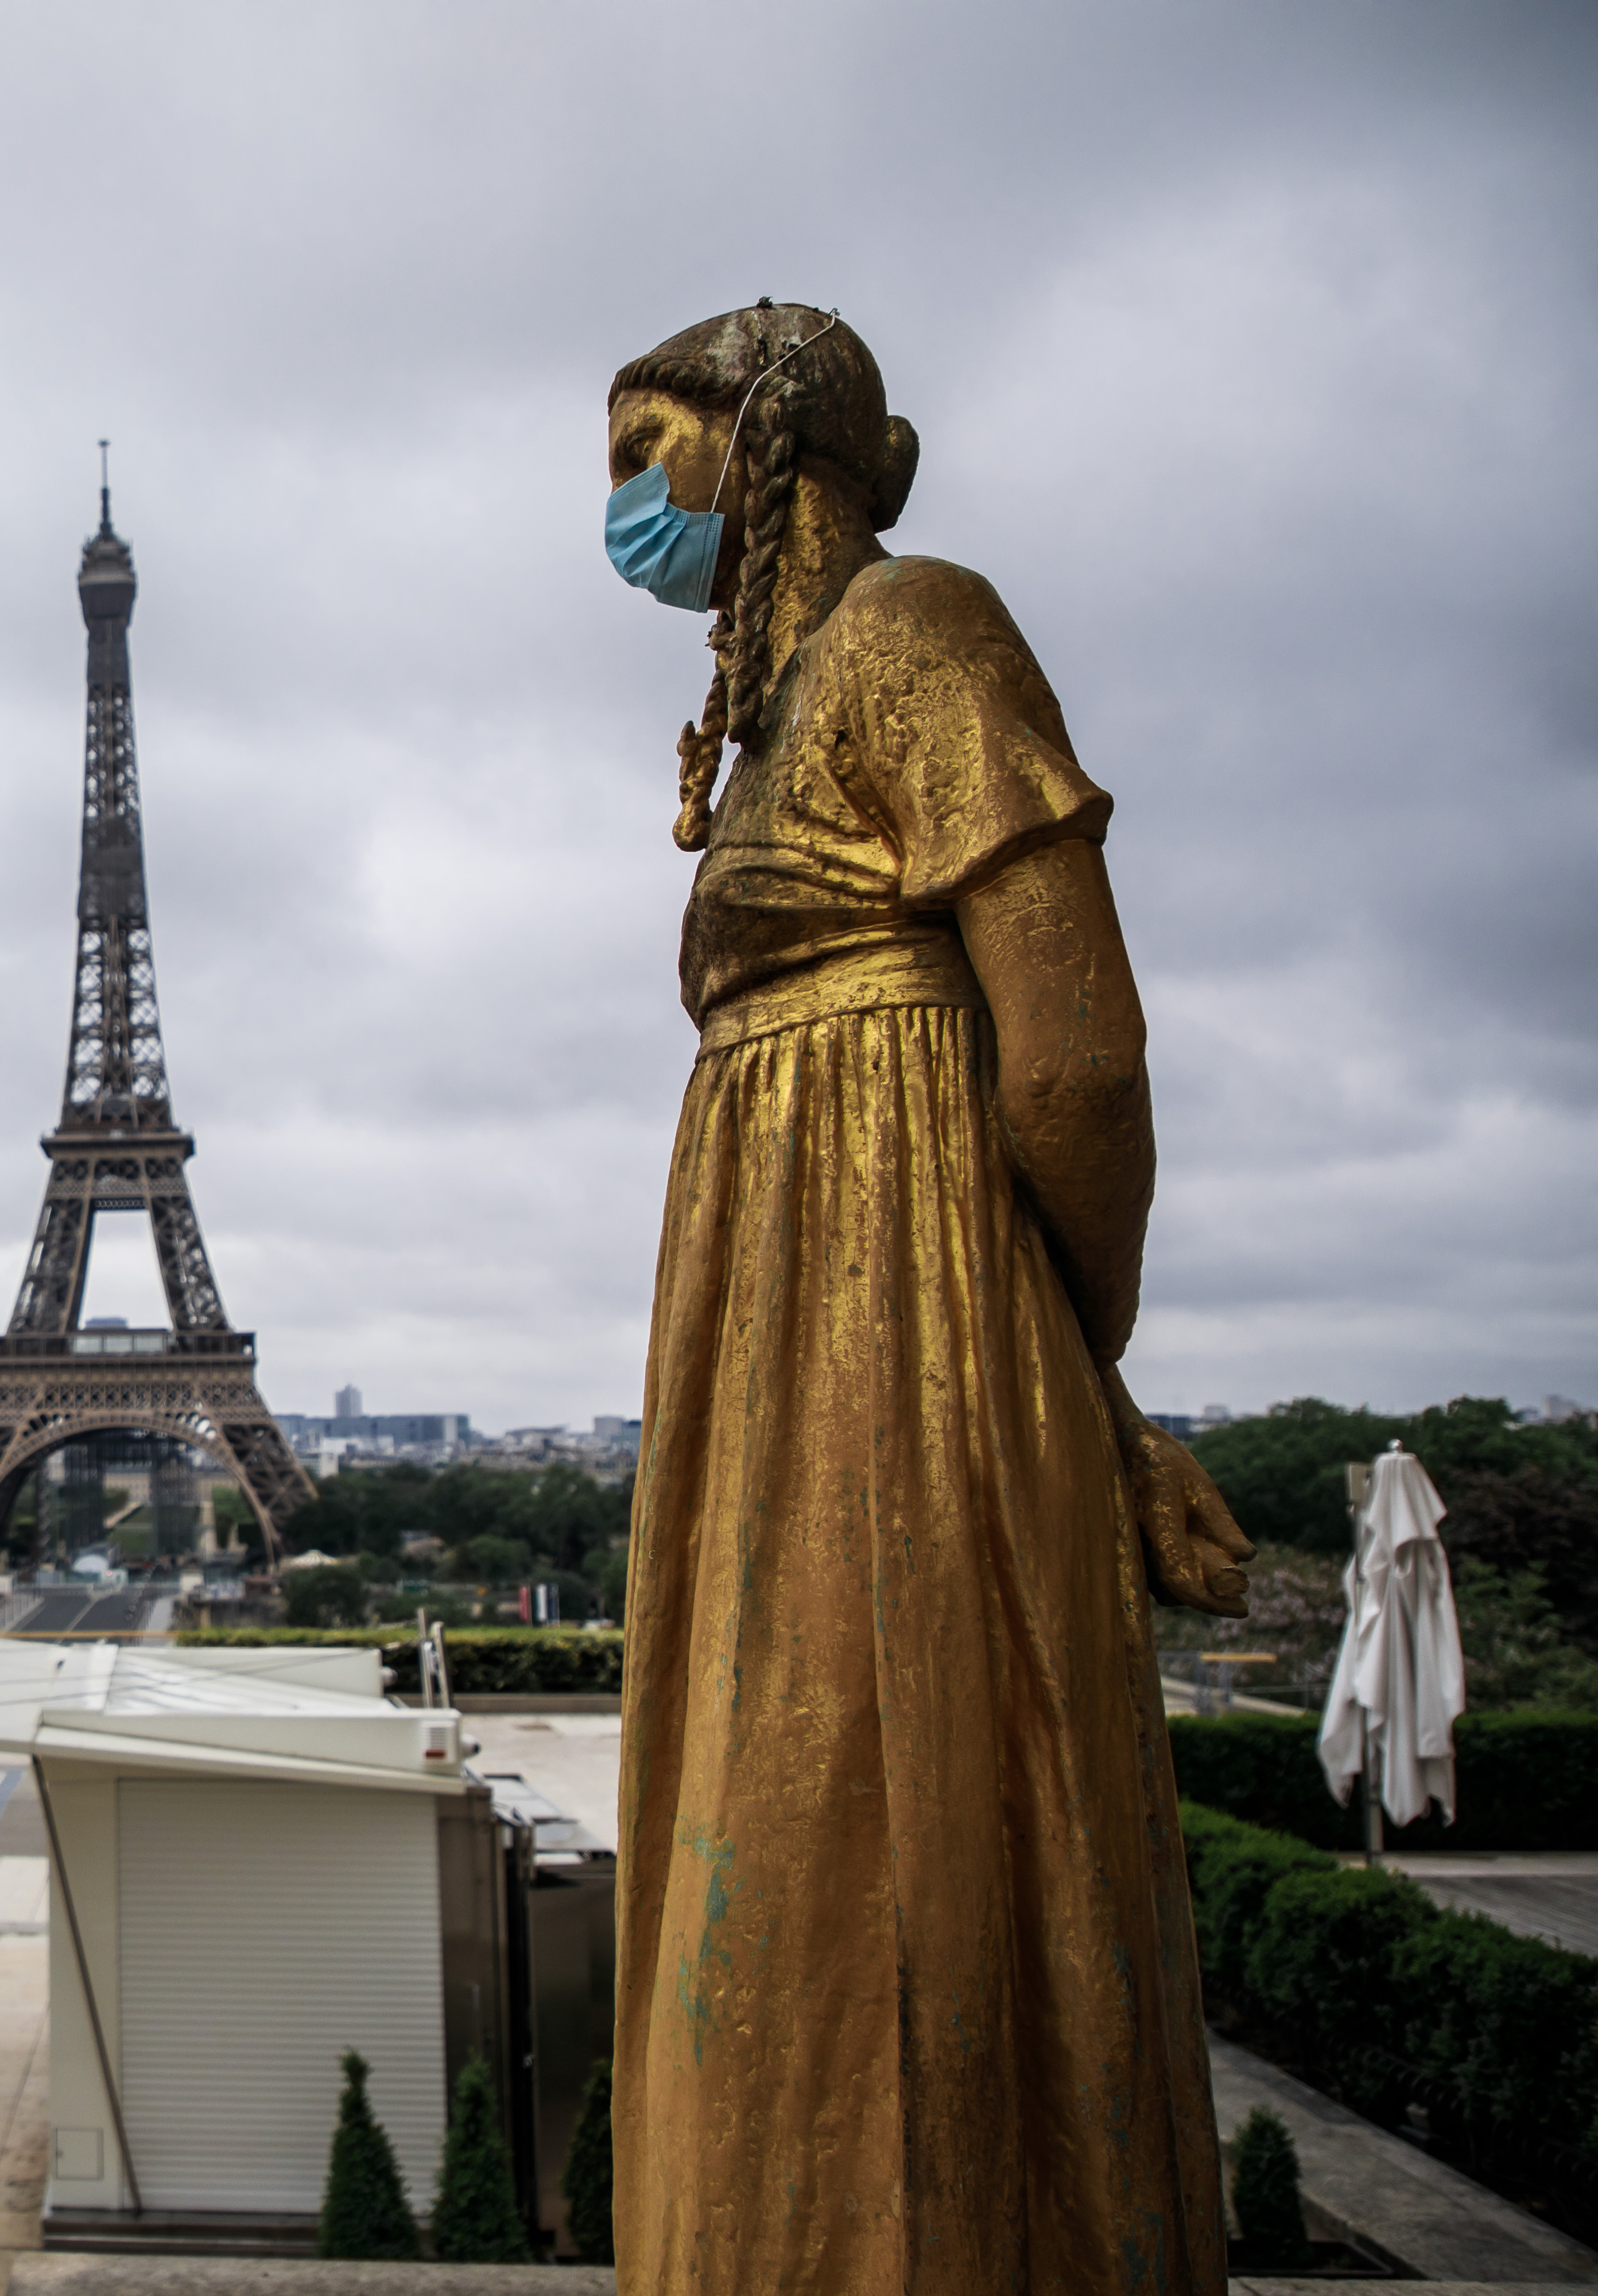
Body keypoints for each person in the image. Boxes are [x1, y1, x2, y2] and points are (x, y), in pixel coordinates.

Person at [598, 302, 1255, 2295]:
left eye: (641, 452)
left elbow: (1079, 1059)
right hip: (811, 1288)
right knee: (812, 1791)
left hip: (894, 1291)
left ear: (760, 441)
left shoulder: (916, 627)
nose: (620, 507)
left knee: (867, 1792)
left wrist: (1070, 1359)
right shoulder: (789, 694)